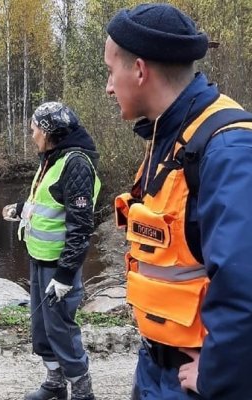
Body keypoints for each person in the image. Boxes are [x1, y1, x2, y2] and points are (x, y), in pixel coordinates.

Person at [105, 4, 252, 399]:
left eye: (110, 71)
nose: (108, 86)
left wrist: (220, 376)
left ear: (138, 70)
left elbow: (245, 285)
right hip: (155, 363)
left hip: (196, 380)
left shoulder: (228, 149)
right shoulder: (167, 135)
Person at [3, 102, 101, 400]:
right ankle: (55, 383)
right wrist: (21, 209)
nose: (31, 134)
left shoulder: (76, 164)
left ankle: (82, 392)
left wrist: (65, 274)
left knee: (60, 329)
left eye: (34, 129)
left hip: (59, 266)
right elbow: (50, 204)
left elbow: (81, 226)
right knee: (42, 327)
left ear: (48, 132)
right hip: (40, 258)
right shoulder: (52, 159)